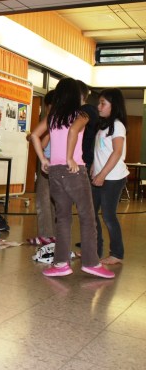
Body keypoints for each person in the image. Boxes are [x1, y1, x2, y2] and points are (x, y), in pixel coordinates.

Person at [30, 77, 114, 279]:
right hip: (74, 171)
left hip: (55, 172)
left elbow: (34, 135)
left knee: (63, 218)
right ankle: (91, 263)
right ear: (77, 95)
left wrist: (43, 160)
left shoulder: (53, 116)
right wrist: (69, 157)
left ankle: (60, 263)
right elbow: (74, 130)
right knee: (87, 217)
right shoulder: (81, 114)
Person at [91, 88, 129, 265]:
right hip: (100, 175)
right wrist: (94, 166)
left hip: (113, 178)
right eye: (99, 103)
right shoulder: (103, 125)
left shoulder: (118, 125)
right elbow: (101, 150)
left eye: (103, 103)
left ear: (113, 106)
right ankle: (94, 250)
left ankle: (117, 253)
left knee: (108, 216)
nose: (99, 106)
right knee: (91, 214)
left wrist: (102, 174)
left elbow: (117, 152)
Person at [26, 90, 56, 246]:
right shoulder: (69, 118)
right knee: (54, 201)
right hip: (61, 163)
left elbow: (41, 142)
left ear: (50, 105)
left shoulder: (53, 118)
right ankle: (54, 235)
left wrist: (32, 137)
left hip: (49, 161)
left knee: (43, 199)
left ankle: (46, 235)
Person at [77, 80, 99, 176]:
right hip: (86, 157)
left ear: (81, 95)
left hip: (85, 158)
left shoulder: (85, 111)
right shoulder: (89, 109)